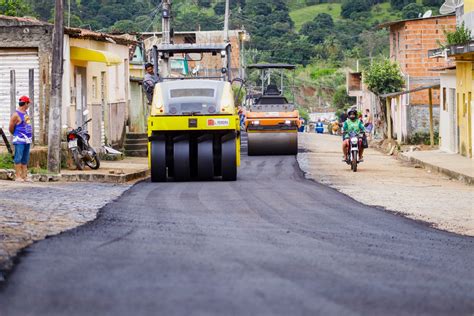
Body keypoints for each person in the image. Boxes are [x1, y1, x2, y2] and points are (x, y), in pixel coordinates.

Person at [9, 96, 33, 182]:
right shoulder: (16, 114)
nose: (29, 105)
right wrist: (16, 135)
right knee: (18, 157)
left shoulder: (25, 112)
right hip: (19, 139)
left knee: (25, 158)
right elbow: (11, 127)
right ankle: (18, 176)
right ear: (25, 103)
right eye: (28, 103)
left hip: (27, 139)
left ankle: (24, 176)